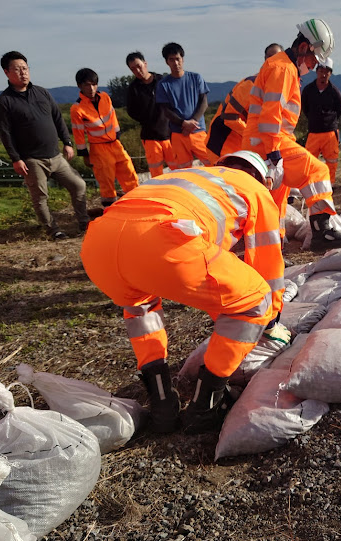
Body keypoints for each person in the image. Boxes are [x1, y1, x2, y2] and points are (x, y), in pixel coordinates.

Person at [80, 150, 290, 435]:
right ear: (262, 177)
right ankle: (206, 404)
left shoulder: (188, 175)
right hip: (164, 242)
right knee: (256, 299)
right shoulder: (254, 188)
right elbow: (267, 263)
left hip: (98, 245)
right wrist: (272, 319)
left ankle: (161, 401)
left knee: (139, 304)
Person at [242, 18, 341, 252]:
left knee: (274, 204)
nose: (314, 67)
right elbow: (270, 114)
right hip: (267, 143)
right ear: (303, 48)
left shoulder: (284, 67)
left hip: (263, 142)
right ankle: (321, 230)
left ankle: (272, 253)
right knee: (317, 170)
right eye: (315, 59)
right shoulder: (283, 69)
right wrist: (274, 154)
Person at [0, 51, 89, 239]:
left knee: (78, 185)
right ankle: (53, 231)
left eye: (25, 68)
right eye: (17, 69)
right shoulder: (4, 101)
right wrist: (16, 159)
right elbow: (6, 133)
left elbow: (57, 118)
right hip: (31, 159)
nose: (23, 73)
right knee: (40, 198)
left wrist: (67, 142)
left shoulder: (42, 92)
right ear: (6, 72)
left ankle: (84, 222)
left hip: (55, 155)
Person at [205, 43, 283, 165]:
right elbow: (229, 117)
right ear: (265, 60)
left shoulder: (275, 86)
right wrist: (253, 136)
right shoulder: (251, 84)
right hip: (222, 145)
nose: (273, 61)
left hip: (241, 147)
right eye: (270, 57)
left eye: (277, 58)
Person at [70, 68, 138, 207]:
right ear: (80, 86)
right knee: (106, 180)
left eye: (94, 84)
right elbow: (79, 134)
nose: (91, 88)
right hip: (99, 148)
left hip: (115, 143)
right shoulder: (77, 109)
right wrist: (85, 155)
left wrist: (117, 136)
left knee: (129, 172)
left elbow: (113, 117)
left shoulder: (105, 97)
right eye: (87, 85)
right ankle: (110, 210)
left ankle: (136, 202)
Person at [156, 42, 210, 168]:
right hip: (178, 134)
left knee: (212, 163)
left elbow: (204, 102)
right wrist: (183, 123)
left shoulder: (196, 78)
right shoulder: (163, 85)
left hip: (198, 131)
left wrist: (193, 121)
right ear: (166, 62)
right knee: (184, 170)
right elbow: (165, 109)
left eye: (178, 59)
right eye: (171, 60)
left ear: (183, 59)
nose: (175, 63)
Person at [126, 52, 176, 178]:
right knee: (156, 173)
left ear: (145, 63)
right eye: (133, 69)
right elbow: (131, 111)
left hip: (170, 134)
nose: (137, 70)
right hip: (150, 137)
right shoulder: (133, 88)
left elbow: (174, 102)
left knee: (179, 169)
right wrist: (147, 119)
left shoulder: (162, 81)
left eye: (138, 66)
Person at [301, 58, 341, 184]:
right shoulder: (308, 90)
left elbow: (338, 110)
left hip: (330, 132)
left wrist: (330, 122)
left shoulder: (334, 92)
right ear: (316, 71)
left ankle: (330, 184)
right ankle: (312, 184)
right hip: (313, 132)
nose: (323, 75)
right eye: (321, 71)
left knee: (332, 161)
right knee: (310, 161)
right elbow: (305, 108)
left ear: (330, 73)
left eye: (327, 72)